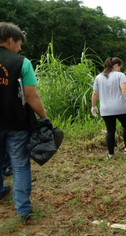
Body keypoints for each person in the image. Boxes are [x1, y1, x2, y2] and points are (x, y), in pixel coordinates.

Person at [0, 22, 48, 222]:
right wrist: (44, 118)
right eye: (19, 44)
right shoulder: (22, 62)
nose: (20, 49)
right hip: (16, 123)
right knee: (19, 165)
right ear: (11, 40)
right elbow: (31, 97)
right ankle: (23, 209)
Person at [91, 57, 126, 158]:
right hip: (121, 107)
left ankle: (110, 153)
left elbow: (95, 93)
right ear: (116, 65)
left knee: (110, 131)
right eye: (120, 67)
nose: (120, 69)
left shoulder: (99, 77)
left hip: (106, 109)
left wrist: (93, 106)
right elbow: (125, 90)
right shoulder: (120, 75)